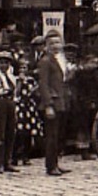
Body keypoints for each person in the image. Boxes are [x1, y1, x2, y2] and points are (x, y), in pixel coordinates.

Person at [37, 31, 71, 177]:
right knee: (51, 135)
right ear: (46, 46)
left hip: (62, 100)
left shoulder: (61, 60)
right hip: (53, 101)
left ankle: (56, 163)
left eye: (57, 42)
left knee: (59, 135)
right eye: (51, 43)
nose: (55, 46)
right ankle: (50, 166)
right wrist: (48, 105)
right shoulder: (45, 61)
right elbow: (43, 84)